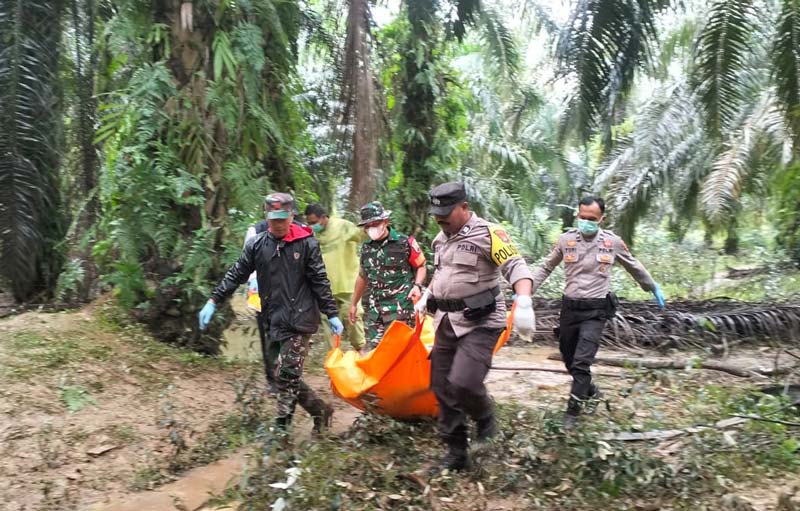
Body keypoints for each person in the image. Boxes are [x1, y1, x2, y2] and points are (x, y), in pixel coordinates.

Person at [198, 192, 344, 435]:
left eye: (282, 218)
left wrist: (332, 313)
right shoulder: (257, 245)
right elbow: (236, 274)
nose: (278, 224)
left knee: (286, 374)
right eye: (273, 219)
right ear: (266, 217)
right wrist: (213, 300)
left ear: (292, 216)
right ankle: (320, 410)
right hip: (273, 318)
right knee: (281, 373)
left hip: (300, 319)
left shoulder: (307, 243)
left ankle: (281, 433)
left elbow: (319, 280)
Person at [414, 182, 535, 471]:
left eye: (446, 213)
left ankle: (485, 418)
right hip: (446, 320)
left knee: (464, 381)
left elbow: (516, 266)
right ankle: (457, 453)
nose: (440, 219)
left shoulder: (489, 234)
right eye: (436, 214)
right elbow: (443, 273)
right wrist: (429, 294)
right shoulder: (440, 239)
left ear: (464, 207)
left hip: (480, 322)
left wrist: (524, 300)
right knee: (441, 385)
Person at [531, 196, 665, 428]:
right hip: (569, 309)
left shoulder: (612, 242)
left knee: (581, 362)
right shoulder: (565, 240)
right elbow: (546, 266)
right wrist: (526, 290)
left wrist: (652, 287)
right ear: (578, 214)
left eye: (591, 218)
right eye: (582, 217)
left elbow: (633, 265)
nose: (586, 222)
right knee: (569, 359)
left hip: (595, 312)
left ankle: (572, 413)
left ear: (602, 219)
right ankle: (591, 391)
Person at [244, 202, 313, 395]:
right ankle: (273, 381)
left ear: (291, 215)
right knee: (268, 336)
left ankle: (290, 378)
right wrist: (253, 282)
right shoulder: (256, 231)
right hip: (264, 294)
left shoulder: (303, 232)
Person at [349, 201, 427, 350]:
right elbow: (362, 276)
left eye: (375, 223)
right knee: (376, 352)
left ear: (385, 221)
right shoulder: (366, 248)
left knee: (400, 352)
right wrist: (353, 304)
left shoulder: (405, 243)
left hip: (401, 309)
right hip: (376, 312)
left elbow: (421, 266)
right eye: (367, 225)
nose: (372, 228)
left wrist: (417, 286)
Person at [304, 204, 366, 351]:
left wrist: (371, 226)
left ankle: (360, 350)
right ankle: (334, 355)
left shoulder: (342, 226)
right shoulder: (311, 235)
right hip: (325, 288)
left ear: (323, 217)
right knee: (328, 323)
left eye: (314, 222)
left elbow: (362, 234)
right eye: (309, 223)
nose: (312, 226)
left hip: (348, 284)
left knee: (353, 317)